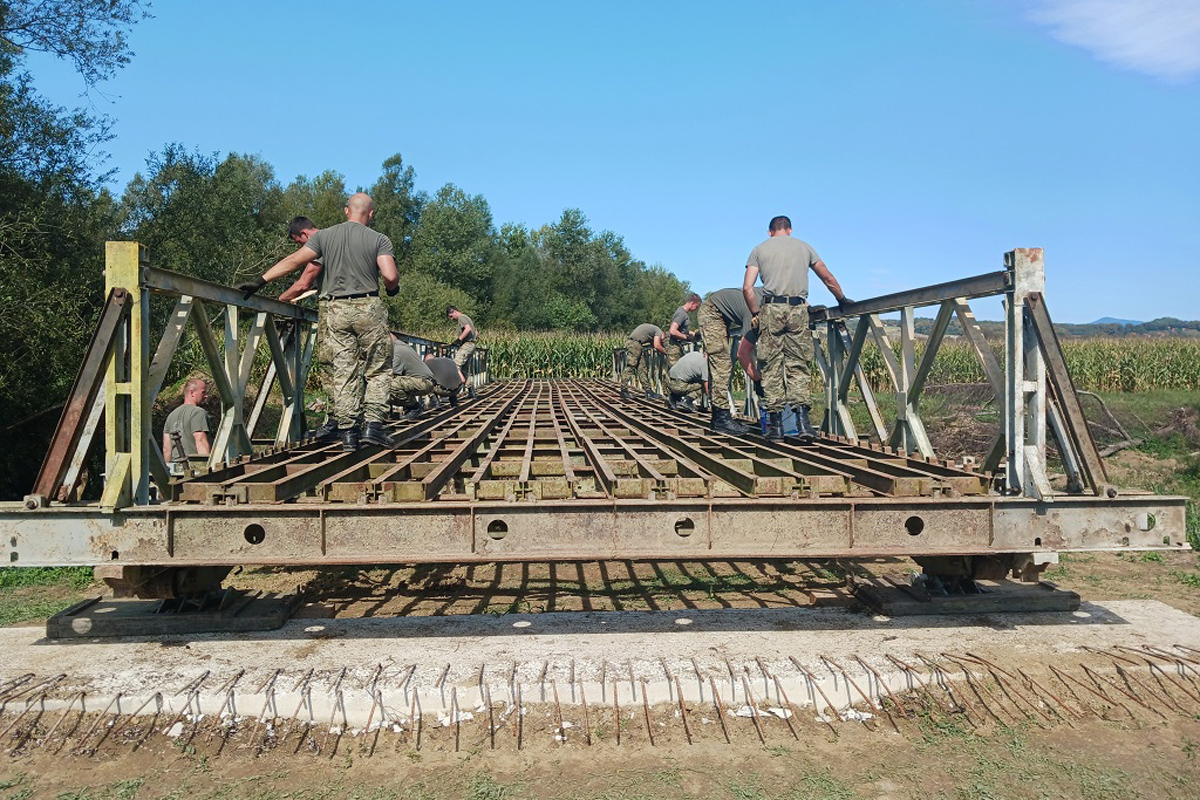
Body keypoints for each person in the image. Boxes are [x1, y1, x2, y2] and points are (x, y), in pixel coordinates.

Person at [240, 193, 400, 451]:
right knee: (377, 368)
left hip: (335, 309)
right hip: (367, 307)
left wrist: (260, 281)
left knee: (344, 370)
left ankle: (347, 432)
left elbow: (294, 262)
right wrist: (392, 288)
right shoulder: (379, 239)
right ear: (370, 214)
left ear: (346, 210)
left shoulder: (324, 237)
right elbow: (389, 275)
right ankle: (373, 427)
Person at [743, 215, 849, 442]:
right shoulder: (805, 247)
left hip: (771, 310)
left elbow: (748, 288)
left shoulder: (759, 250)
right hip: (798, 310)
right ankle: (803, 425)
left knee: (771, 366)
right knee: (798, 364)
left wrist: (755, 313)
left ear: (770, 231)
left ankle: (776, 427)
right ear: (789, 229)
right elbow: (827, 277)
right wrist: (842, 299)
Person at [274, 217, 342, 444]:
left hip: (336, 312)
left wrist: (279, 300)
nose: (302, 249)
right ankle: (354, 420)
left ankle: (338, 422)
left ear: (304, 234)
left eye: (299, 243)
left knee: (332, 366)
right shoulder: (341, 238)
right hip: (362, 309)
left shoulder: (321, 244)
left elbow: (304, 282)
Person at [698, 288, 763, 435]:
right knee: (722, 363)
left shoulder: (776, 299)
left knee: (720, 364)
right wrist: (758, 380)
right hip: (712, 312)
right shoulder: (755, 313)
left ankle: (717, 418)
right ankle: (721, 418)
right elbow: (743, 354)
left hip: (721, 314)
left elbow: (796, 296)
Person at [162, 378, 210, 472]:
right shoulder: (198, 412)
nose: (206, 396)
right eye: (203, 392)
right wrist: (207, 469)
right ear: (192, 393)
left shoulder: (171, 415)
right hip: (193, 469)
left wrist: (167, 471)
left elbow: (166, 449)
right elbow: (200, 440)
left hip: (175, 469)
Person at [390, 336, 436, 418]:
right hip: (423, 381)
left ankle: (414, 407)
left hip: (423, 382)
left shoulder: (397, 350)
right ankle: (411, 407)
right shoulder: (402, 346)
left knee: (388, 383)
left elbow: (392, 374)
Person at [620, 323, 668, 399]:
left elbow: (652, 343)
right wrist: (666, 352)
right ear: (663, 334)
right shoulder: (658, 331)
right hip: (635, 344)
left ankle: (649, 391)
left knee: (642, 369)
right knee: (631, 367)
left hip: (637, 344)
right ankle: (623, 390)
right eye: (662, 339)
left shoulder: (653, 330)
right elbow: (657, 345)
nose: (661, 340)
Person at [665, 293, 701, 369]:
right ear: (692, 303)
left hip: (677, 345)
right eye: (696, 306)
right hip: (673, 346)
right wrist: (686, 338)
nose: (696, 309)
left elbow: (682, 330)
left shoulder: (683, 313)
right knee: (676, 371)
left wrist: (692, 333)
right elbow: (673, 330)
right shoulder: (681, 314)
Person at [446, 305, 477, 388]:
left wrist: (459, 339)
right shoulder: (467, 317)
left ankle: (456, 386)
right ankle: (471, 391)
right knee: (464, 369)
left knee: (455, 364)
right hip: (472, 344)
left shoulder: (461, 318)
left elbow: (468, 329)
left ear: (454, 312)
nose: (451, 319)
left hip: (467, 344)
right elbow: (476, 333)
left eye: (451, 316)